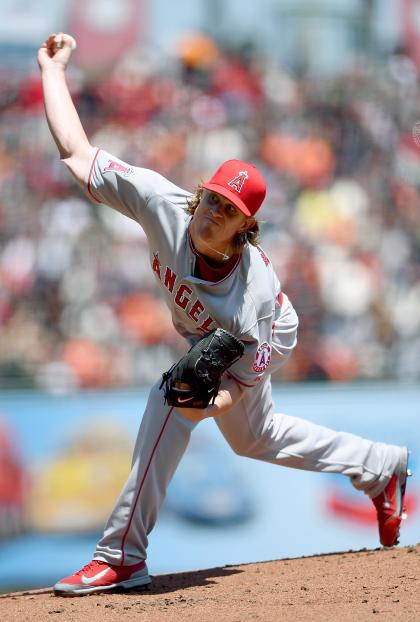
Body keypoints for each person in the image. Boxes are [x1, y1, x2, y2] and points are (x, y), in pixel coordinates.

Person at [38, 33, 411, 596]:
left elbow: (241, 376)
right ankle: (380, 465)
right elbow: (75, 151)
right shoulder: (160, 204)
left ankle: (120, 555)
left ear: (245, 230)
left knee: (170, 399)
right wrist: (52, 71)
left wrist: (210, 399)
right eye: (211, 198)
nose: (212, 213)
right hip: (209, 333)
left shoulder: (252, 295)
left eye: (228, 210)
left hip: (265, 334)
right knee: (254, 439)